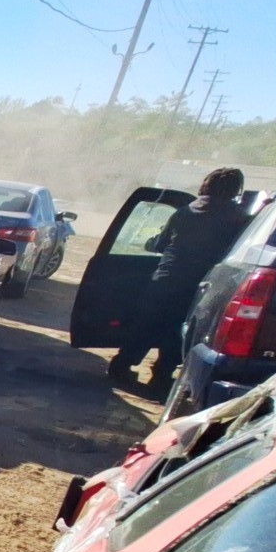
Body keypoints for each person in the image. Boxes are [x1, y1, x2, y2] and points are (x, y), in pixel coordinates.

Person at [109, 167, 249, 392]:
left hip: (165, 280)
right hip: (201, 286)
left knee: (146, 326)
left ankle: (120, 366)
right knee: (179, 332)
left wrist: (152, 243)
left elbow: (160, 244)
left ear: (207, 184)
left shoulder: (185, 212)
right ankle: (162, 376)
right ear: (235, 190)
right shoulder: (240, 219)